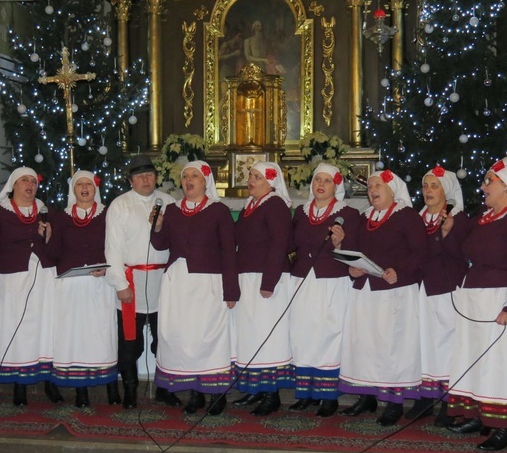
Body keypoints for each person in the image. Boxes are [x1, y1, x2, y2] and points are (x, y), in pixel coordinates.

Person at [447, 158, 507, 451]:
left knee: (500, 364)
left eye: (489, 181)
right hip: (476, 300)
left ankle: (505, 427)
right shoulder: (484, 218)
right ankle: (480, 416)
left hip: (502, 300)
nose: (483, 186)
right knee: (478, 360)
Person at [339, 170, 427, 426]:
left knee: (392, 348)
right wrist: (352, 268)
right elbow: (352, 250)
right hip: (366, 292)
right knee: (365, 345)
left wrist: (400, 271)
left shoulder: (407, 216)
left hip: (394, 292)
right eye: (370, 186)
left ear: (393, 190)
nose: (372, 190)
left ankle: (394, 402)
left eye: (378, 185)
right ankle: (367, 396)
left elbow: (421, 251)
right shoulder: (364, 217)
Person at [151, 161, 239, 415]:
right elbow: (160, 245)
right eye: (185, 176)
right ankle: (195, 393)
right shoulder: (172, 210)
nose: (189, 180)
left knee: (207, 339)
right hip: (177, 283)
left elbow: (229, 252)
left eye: (195, 176)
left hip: (207, 283)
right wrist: (157, 227)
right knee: (184, 338)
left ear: (205, 182)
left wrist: (231, 290)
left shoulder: (218, 211)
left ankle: (216, 394)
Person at [104, 155, 179, 409]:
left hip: (164, 282)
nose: (145, 180)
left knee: (165, 338)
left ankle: (165, 388)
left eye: (149, 175)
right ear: (130, 180)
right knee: (129, 342)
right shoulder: (120, 205)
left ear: (156, 177)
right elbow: (112, 248)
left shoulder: (169, 203)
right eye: (139, 176)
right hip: (132, 281)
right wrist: (120, 284)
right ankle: (130, 389)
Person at [0, 167, 58, 406]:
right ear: (13, 185)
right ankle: (19, 386)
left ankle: (49, 383)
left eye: (33, 181)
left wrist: (48, 237)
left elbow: (56, 250)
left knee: (45, 329)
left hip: (43, 278)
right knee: (16, 330)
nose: (30, 185)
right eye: (24, 180)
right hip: (11, 280)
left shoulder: (45, 211)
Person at [288, 164, 360, 417]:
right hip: (303, 280)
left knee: (328, 335)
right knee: (303, 334)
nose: (320, 184)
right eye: (317, 179)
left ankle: (328, 396)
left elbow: (356, 249)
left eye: (327, 181)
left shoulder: (348, 213)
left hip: (331, 280)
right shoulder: (301, 211)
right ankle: (306, 393)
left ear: (336, 186)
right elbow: (291, 243)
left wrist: (341, 242)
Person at [49, 171, 120, 408]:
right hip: (70, 287)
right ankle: (81, 391)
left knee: (101, 335)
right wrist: (46, 238)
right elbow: (54, 252)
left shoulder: (108, 213)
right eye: (79, 184)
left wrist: (108, 269)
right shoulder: (60, 217)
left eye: (88, 183)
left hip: (99, 284)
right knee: (75, 336)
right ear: (73, 190)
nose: (84, 188)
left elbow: (115, 246)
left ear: (95, 188)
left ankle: (111, 385)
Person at [231, 161, 293, 416]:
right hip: (248, 278)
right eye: (251, 176)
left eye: (257, 177)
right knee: (252, 334)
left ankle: (272, 394)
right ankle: (255, 388)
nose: (251, 180)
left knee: (268, 335)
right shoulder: (250, 206)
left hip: (267, 280)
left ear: (271, 182)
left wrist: (269, 282)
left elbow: (280, 244)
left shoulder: (275, 204)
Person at [411, 166, 468, 426]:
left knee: (446, 345)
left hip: (447, 289)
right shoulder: (416, 218)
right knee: (423, 342)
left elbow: (462, 256)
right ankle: (425, 396)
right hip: (421, 288)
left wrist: (445, 234)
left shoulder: (459, 218)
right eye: (426, 186)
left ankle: (448, 400)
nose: (429, 191)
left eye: (435, 186)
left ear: (447, 190)